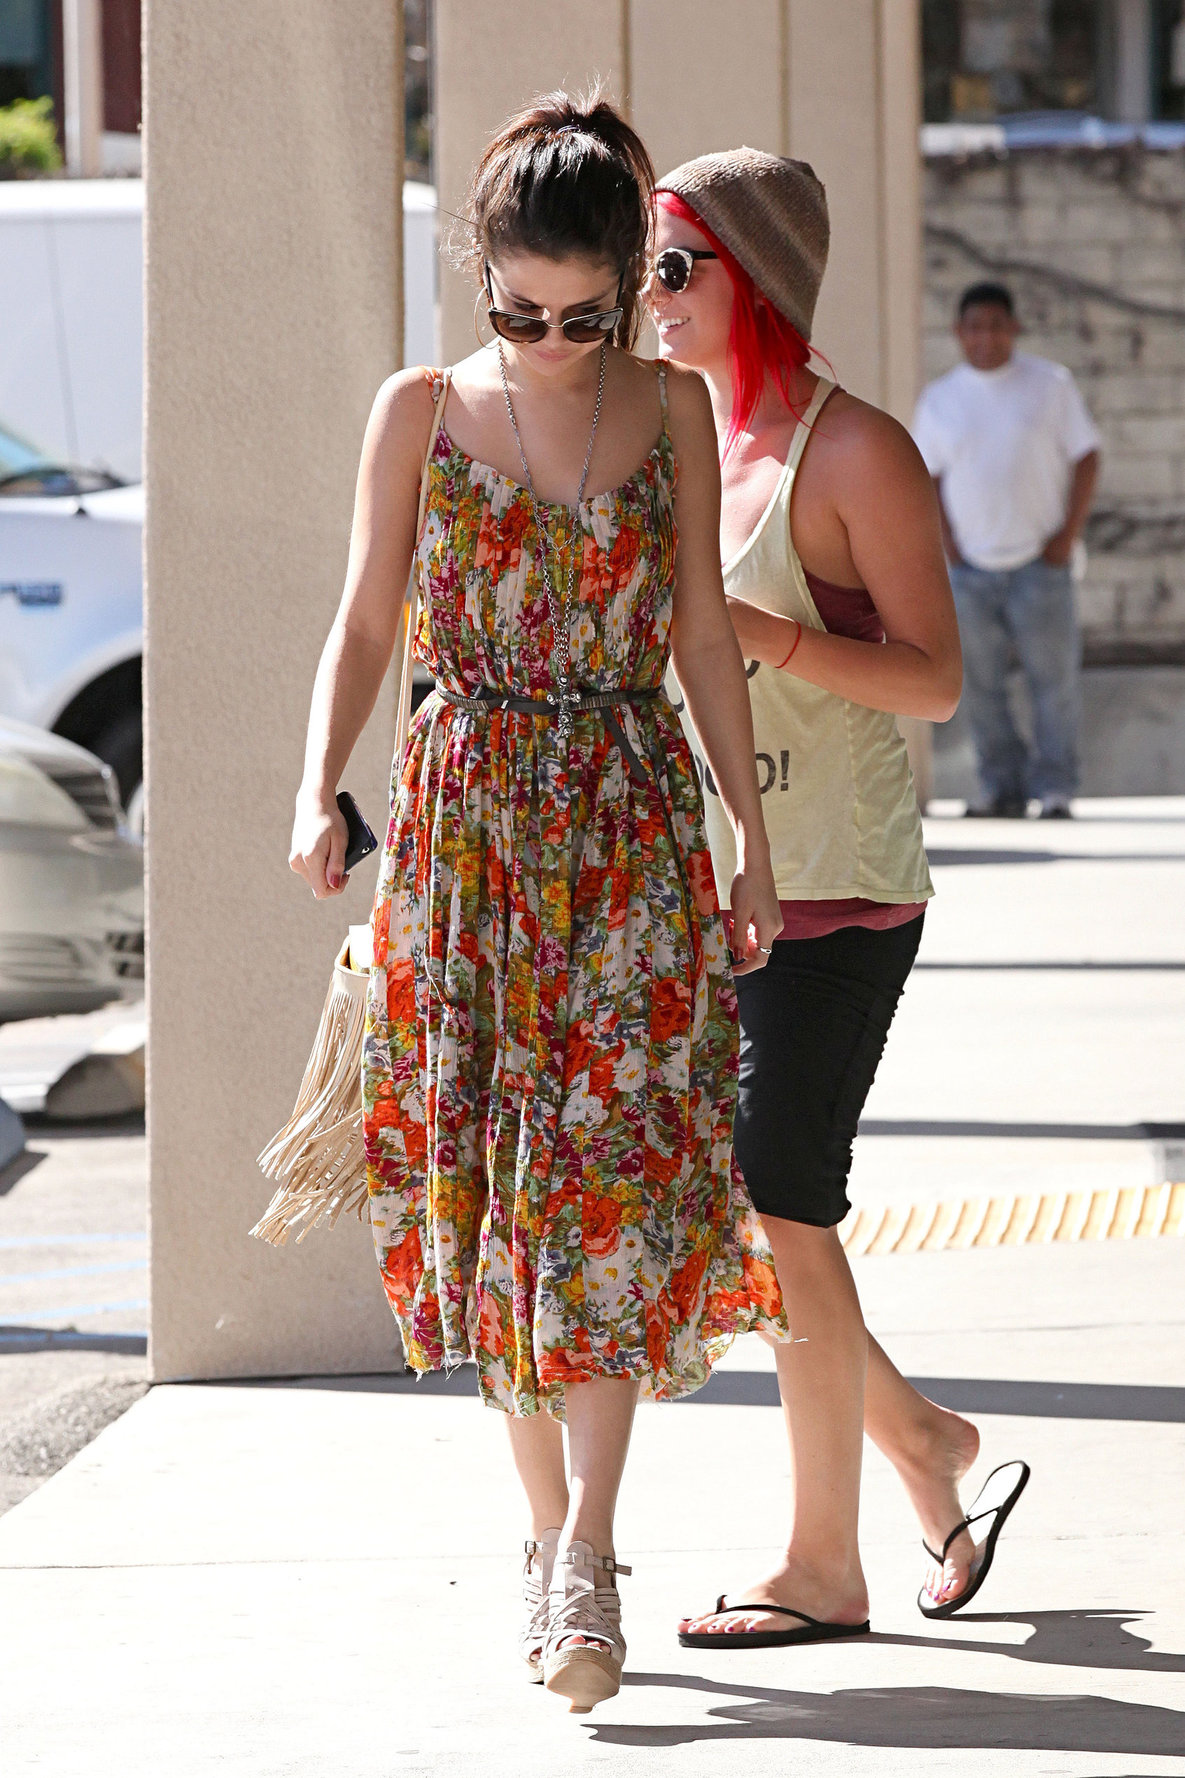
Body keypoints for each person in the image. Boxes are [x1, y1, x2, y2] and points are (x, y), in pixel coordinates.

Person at [287, 95, 786, 1713]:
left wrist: (749, 840)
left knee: (612, 1188)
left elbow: (704, 627)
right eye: (521, 311)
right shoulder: (422, 410)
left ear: (636, 280)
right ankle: (545, 1535)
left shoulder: (680, 408)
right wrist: (316, 782)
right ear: (480, 273)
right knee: (497, 1192)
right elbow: (364, 619)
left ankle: (589, 1551)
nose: (555, 341)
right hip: (471, 839)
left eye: (586, 313)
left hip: (630, 835)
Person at [651, 148, 1028, 1646]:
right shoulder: (688, 437)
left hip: (838, 893)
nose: (650, 295)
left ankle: (825, 1562)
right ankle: (925, 1440)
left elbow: (934, 679)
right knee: (750, 1215)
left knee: (780, 1202)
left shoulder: (852, 450)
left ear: (753, 276)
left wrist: (762, 632)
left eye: (677, 266)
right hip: (711, 887)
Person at [913, 281, 1101, 819]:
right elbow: (927, 476)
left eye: (997, 325)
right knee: (981, 685)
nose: (986, 337)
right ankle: (1002, 790)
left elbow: (1087, 456)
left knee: (1054, 682)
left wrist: (1067, 536)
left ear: (1014, 328)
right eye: (975, 326)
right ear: (959, 333)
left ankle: (1057, 789)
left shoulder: (1050, 385)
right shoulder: (942, 398)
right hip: (971, 569)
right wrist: (948, 548)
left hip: (1041, 564)